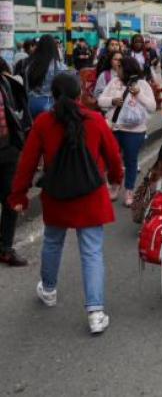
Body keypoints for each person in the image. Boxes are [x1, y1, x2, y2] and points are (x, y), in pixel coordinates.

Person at [9, 73, 124, 334]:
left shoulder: (44, 122)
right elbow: (113, 156)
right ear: (80, 93)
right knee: (92, 252)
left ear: (53, 94)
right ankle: (95, 312)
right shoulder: (95, 120)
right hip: (91, 195)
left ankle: (48, 290)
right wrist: (116, 179)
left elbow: (27, 164)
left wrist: (18, 196)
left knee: (52, 242)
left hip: (57, 195)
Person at [98, 57, 157, 206]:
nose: (117, 70)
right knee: (111, 160)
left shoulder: (142, 84)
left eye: (119, 67)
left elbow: (152, 106)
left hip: (135, 131)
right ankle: (115, 185)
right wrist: (112, 100)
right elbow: (100, 100)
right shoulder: (114, 82)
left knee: (131, 161)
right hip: (114, 128)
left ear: (127, 68)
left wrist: (139, 94)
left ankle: (129, 190)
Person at [0, 58, 32, 267]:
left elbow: (17, 110)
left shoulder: (5, 81)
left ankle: (5, 248)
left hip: (6, 148)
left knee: (10, 200)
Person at [24, 34, 68, 119]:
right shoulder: (60, 66)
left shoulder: (30, 65)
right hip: (50, 104)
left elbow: (26, 87)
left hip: (31, 103)